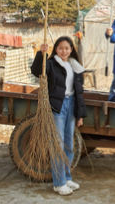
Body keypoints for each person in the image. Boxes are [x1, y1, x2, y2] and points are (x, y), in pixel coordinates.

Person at [31, 36, 86, 196]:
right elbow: (36, 71)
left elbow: (79, 92)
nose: (64, 51)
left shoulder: (74, 66)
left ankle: (67, 177)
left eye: (67, 48)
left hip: (71, 105)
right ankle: (59, 183)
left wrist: (80, 114)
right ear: (56, 49)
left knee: (69, 144)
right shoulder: (51, 64)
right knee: (58, 144)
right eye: (61, 48)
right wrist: (41, 54)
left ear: (71, 50)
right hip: (57, 107)